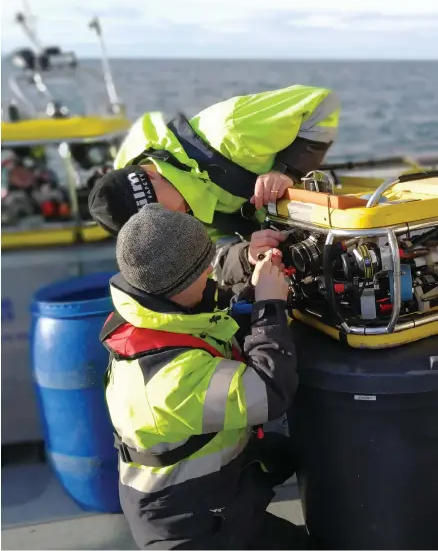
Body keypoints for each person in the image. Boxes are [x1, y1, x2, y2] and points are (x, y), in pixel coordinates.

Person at [101, 204, 309, 550]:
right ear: (176, 284)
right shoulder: (167, 379)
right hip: (189, 527)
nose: (211, 272)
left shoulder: (155, 313)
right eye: (203, 268)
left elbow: (214, 324)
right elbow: (270, 392)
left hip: (216, 500)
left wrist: (252, 287)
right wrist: (270, 307)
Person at [89, 84, 339, 289]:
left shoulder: (231, 129)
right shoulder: (163, 232)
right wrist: (246, 256)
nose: (164, 228)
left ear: (149, 174)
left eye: (156, 213)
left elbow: (321, 105)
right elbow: (211, 260)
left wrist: (287, 171)